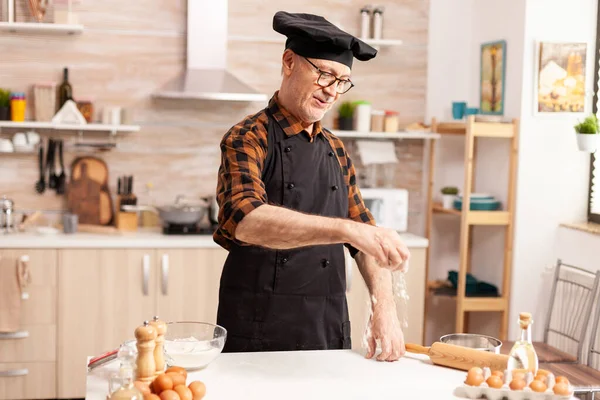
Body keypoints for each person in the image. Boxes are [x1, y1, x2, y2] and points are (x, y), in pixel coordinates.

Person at [213, 11, 410, 362]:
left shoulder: (335, 148)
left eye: (342, 80)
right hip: (259, 330)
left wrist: (385, 309)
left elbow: (366, 238)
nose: (332, 91)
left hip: (327, 324)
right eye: (324, 74)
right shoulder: (248, 136)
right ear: (289, 62)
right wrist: (346, 229)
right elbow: (246, 220)